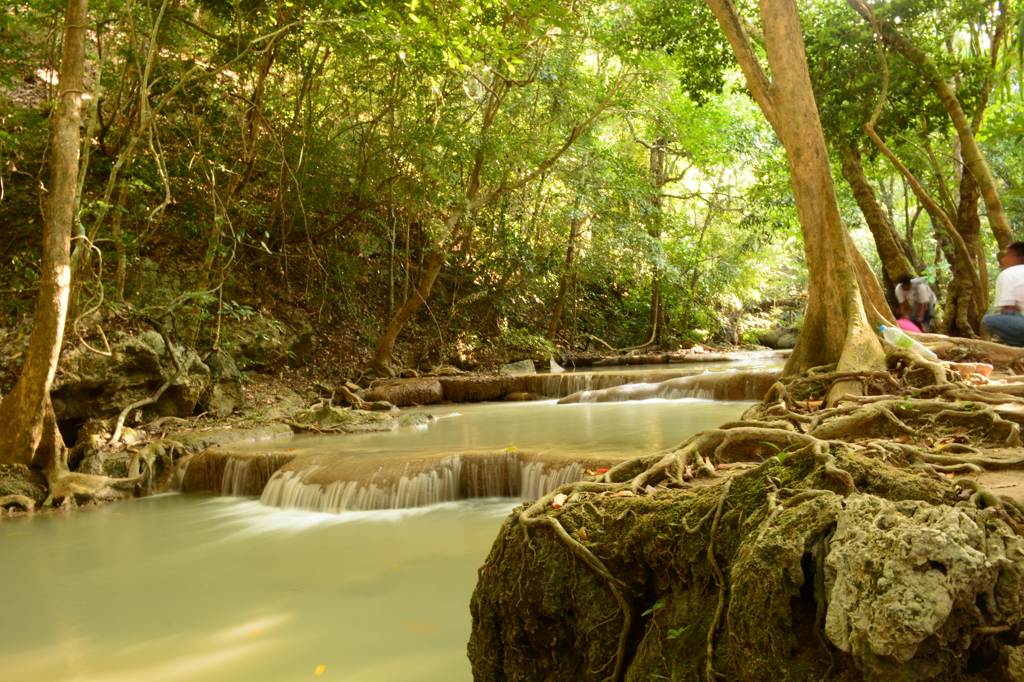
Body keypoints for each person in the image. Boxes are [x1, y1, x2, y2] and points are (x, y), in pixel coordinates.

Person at [982, 242, 1024, 347]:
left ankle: (1017, 348)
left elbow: (1010, 310)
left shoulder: (1009, 273)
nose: (1002, 260)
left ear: (1021, 259)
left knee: (988, 319)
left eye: (1007, 255)